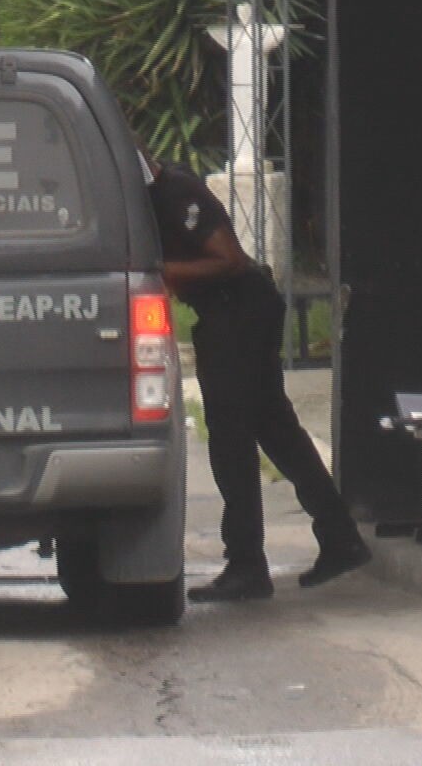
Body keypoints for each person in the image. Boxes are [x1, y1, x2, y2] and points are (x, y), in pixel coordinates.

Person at [143, 152, 371, 601]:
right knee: (277, 431)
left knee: (231, 439)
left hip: (239, 310)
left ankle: (247, 563)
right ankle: (340, 538)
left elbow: (227, 258)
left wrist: (163, 272)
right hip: (230, 313)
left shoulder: (175, 192)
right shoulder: (156, 195)